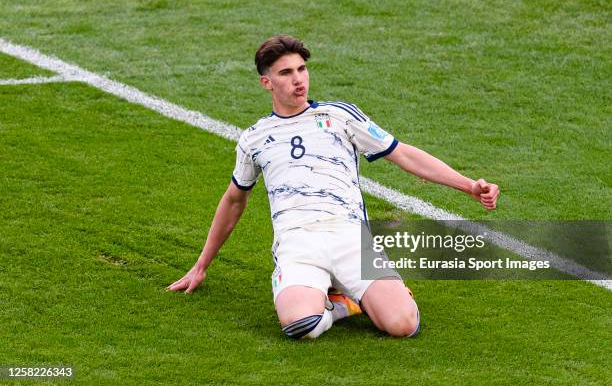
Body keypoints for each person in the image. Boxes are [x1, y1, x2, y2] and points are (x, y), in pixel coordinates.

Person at [167, 34, 500, 339]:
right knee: (301, 326)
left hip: (350, 239)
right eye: (286, 73)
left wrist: (468, 185)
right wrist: (201, 265)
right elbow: (234, 201)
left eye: (302, 69)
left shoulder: (339, 116)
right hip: (297, 244)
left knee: (403, 325)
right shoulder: (254, 139)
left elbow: (405, 155)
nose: (298, 79)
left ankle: (364, 295)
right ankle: (342, 304)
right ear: (266, 82)